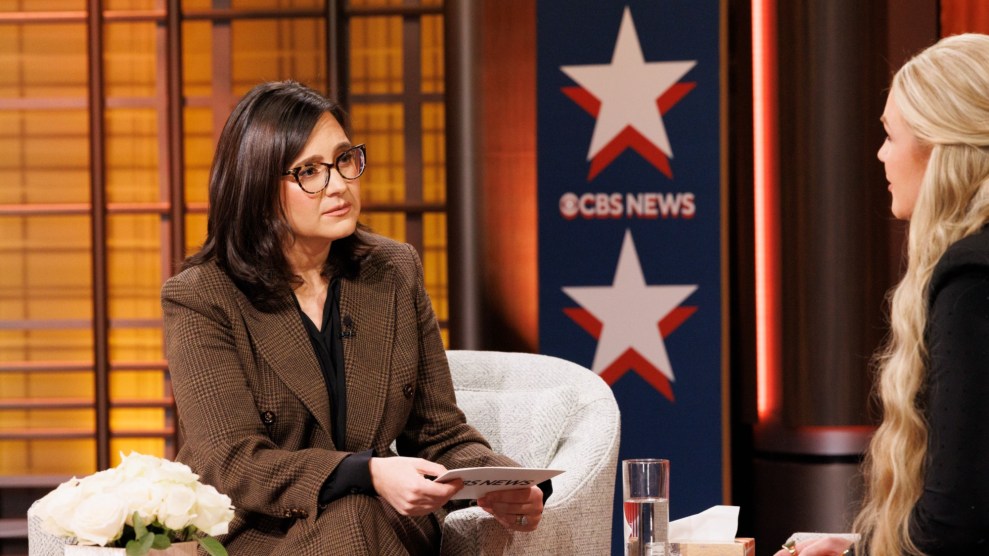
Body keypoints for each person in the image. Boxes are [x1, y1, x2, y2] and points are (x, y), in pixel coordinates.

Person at [161, 80, 547, 555]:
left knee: (357, 514)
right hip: (261, 535)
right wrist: (364, 473)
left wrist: (503, 482)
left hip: (381, 529)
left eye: (345, 160)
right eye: (309, 171)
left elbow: (438, 431)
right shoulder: (203, 297)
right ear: (257, 186)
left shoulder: (392, 272)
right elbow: (234, 463)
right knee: (353, 511)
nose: (339, 184)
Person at [774, 33, 989, 556]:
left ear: (940, 145)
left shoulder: (971, 278)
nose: (880, 155)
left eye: (890, 135)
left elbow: (957, 521)